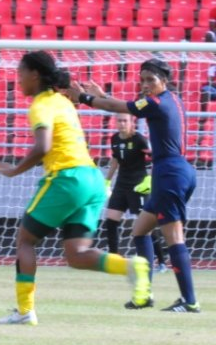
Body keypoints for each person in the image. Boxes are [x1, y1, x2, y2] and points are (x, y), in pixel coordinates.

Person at [0, 51, 151, 325]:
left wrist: (13, 170)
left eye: (20, 73)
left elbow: (43, 147)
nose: (17, 79)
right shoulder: (63, 102)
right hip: (92, 180)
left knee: (26, 241)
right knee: (76, 255)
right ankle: (131, 265)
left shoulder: (41, 105)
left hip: (67, 178)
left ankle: (25, 310)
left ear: (35, 75)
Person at [67, 58, 200, 313]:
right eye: (142, 80)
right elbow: (127, 107)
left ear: (165, 80)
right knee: (140, 230)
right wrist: (104, 96)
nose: (146, 85)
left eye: (151, 80)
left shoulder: (156, 103)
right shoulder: (173, 100)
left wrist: (84, 98)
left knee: (174, 237)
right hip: (175, 171)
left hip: (170, 173)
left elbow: (126, 106)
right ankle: (144, 294)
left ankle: (190, 300)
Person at [102, 114, 168, 273]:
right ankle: (114, 258)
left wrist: (150, 180)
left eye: (125, 120)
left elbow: (155, 159)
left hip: (138, 186)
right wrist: (107, 181)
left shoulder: (140, 140)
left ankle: (161, 261)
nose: (122, 123)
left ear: (131, 123)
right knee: (111, 220)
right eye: (119, 120)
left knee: (145, 226)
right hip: (121, 185)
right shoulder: (115, 139)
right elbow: (115, 161)